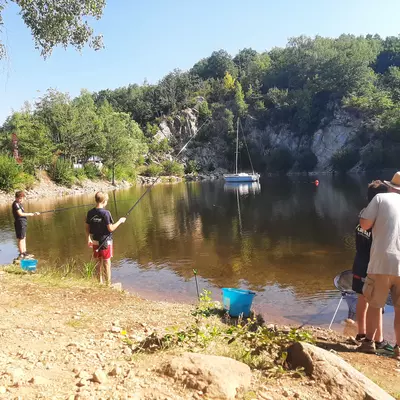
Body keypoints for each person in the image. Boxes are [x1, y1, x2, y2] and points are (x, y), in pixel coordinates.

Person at [359, 172, 400, 360]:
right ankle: (398, 348)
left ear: (390, 186)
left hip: (381, 262)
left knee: (375, 304)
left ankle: (369, 342)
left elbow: (365, 225)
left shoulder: (380, 198)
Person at [352, 181, 392, 352]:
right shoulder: (380, 218)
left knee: (362, 298)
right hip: (372, 264)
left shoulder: (363, 214)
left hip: (358, 262)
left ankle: (361, 333)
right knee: (377, 303)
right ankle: (378, 339)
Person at [85, 192, 126, 285]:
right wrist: (120, 221)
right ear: (104, 201)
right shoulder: (106, 213)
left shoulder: (90, 212)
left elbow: (87, 227)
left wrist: (88, 239)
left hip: (95, 239)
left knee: (98, 261)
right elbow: (110, 228)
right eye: (106, 201)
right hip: (106, 241)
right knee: (107, 262)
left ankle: (100, 282)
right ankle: (108, 284)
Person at [12, 191, 40, 259]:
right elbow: (20, 214)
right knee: (21, 238)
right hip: (20, 223)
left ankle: (25, 252)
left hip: (23, 222)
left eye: (22, 198)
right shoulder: (16, 204)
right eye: (19, 198)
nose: (21, 199)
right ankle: (22, 254)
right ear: (16, 197)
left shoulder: (19, 204)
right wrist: (31, 214)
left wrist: (34, 213)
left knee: (24, 237)